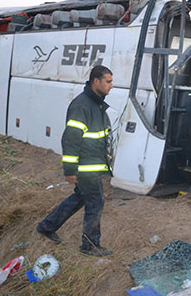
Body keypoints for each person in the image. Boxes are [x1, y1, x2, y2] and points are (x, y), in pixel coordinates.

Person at [37, 65, 115, 256]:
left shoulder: (95, 104)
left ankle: (47, 227)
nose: (111, 86)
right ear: (96, 81)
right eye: (108, 81)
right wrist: (70, 170)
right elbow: (71, 139)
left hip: (91, 166)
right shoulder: (82, 106)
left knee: (80, 197)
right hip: (85, 167)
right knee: (95, 202)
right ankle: (89, 245)